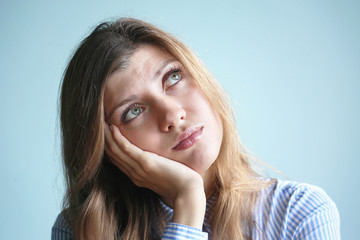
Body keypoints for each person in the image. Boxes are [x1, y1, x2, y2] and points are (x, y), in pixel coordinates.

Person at [52, 18, 340, 240]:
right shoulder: (80, 229)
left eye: (173, 77)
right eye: (133, 111)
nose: (172, 115)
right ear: (105, 146)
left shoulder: (300, 213)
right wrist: (188, 203)